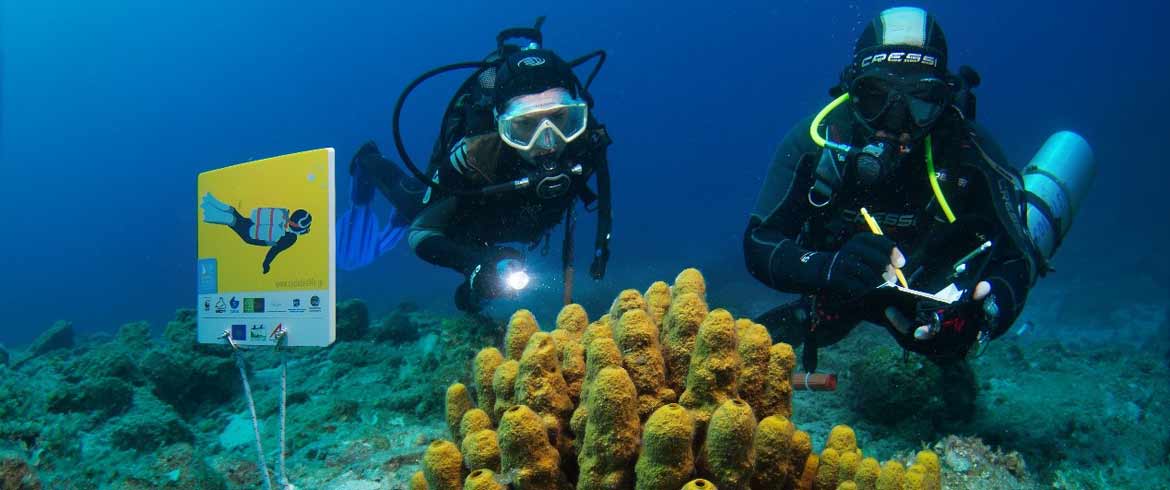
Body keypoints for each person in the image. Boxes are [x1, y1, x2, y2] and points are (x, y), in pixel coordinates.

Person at [744, 7, 1046, 420]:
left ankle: (951, 363)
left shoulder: (969, 151)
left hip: (928, 298)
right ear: (851, 92)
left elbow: (1018, 256)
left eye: (920, 101)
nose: (896, 122)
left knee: (947, 345)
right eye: (875, 98)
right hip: (839, 289)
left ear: (945, 98)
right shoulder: (816, 143)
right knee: (763, 340)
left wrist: (986, 313)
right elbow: (760, 241)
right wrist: (826, 269)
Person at [338, 19, 613, 313]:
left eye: (560, 119)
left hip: (517, 227)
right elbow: (421, 234)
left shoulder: (587, 144)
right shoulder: (475, 156)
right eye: (523, 125)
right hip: (468, 217)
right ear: (500, 124)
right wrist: (471, 264)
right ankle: (367, 160)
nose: (547, 142)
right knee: (411, 203)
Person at [200, 192, 312, 274]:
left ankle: (209, 200)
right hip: (252, 236)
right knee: (234, 222)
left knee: (238, 217)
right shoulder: (291, 238)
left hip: (252, 222)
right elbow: (275, 250)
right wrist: (266, 263)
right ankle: (226, 218)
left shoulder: (283, 215)